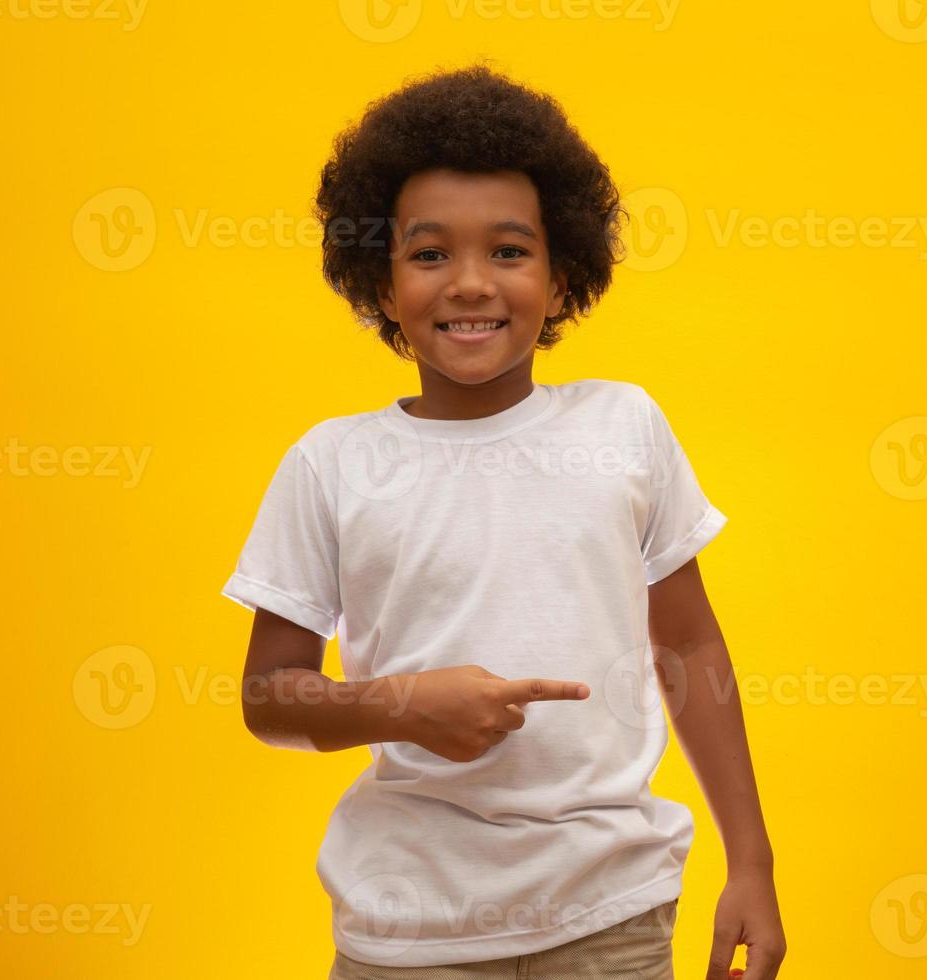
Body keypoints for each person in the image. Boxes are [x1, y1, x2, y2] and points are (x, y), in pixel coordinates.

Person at [220, 63, 785, 979]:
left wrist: (751, 862)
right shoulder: (332, 463)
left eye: (511, 252)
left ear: (564, 278)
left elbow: (691, 650)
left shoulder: (624, 426)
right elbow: (268, 697)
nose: (472, 284)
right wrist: (405, 705)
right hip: (405, 932)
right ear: (381, 282)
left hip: (613, 918)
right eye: (431, 253)